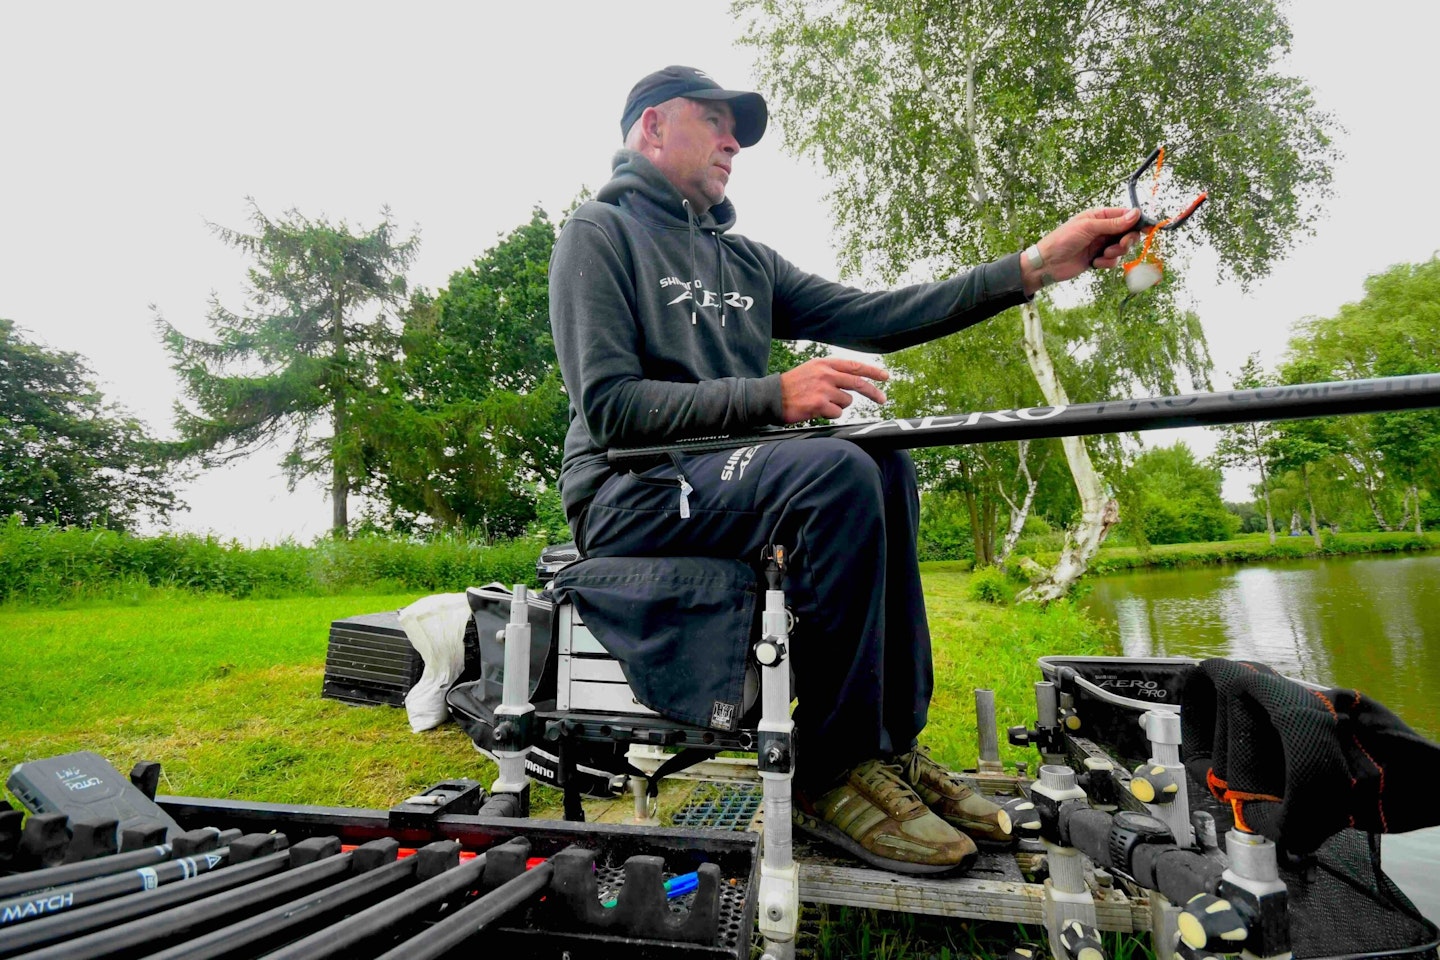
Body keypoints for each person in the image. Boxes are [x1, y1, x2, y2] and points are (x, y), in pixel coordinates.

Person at [548, 65, 1141, 875]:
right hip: (631, 488)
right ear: (653, 127)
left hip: (726, 475)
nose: (732, 143)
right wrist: (773, 393)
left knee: (883, 457)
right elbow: (611, 405)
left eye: (739, 131)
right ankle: (829, 770)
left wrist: (1035, 266)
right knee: (833, 473)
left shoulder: (744, 261)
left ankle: (889, 747)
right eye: (716, 123)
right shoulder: (598, 232)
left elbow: (876, 316)